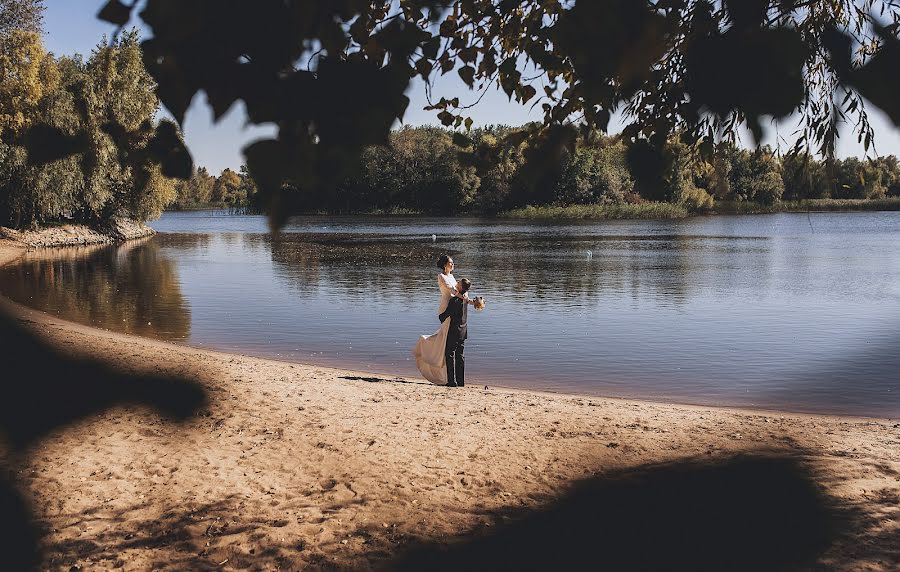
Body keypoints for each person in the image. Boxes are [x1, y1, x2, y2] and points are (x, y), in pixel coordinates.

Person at [439, 278, 471, 387]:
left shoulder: (455, 301)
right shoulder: (465, 299)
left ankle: (451, 381)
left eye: (458, 283)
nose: (456, 283)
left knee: (449, 354)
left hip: (454, 331)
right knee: (460, 356)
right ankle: (461, 381)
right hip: (463, 331)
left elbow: (448, 313)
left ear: (461, 287)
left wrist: (441, 316)